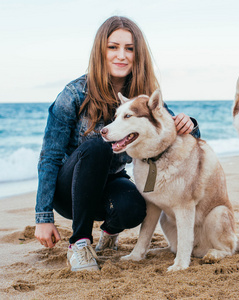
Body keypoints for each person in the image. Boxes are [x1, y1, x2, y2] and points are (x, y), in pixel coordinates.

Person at [34, 16, 200, 272]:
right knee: (99, 144)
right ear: (101, 50)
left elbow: (170, 131)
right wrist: (43, 218)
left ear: (138, 54)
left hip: (110, 182)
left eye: (129, 48)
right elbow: (50, 156)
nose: (121, 55)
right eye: (113, 47)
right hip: (70, 190)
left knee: (135, 208)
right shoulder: (73, 94)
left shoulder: (142, 96)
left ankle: (110, 232)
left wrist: (189, 123)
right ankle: (79, 243)